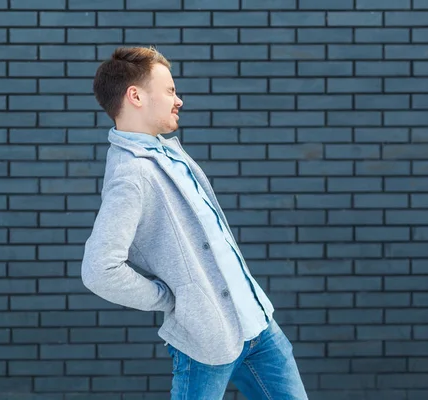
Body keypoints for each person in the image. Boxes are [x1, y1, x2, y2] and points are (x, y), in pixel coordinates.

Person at [82, 46, 308, 400]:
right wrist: (170, 299)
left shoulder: (168, 152)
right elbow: (99, 269)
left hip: (259, 324)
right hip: (207, 341)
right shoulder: (131, 175)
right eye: (170, 90)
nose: (179, 100)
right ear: (136, 96)